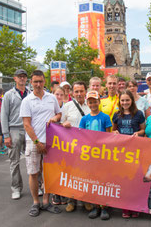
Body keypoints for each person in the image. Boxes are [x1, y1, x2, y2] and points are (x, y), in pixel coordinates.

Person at [20, 70, 62, 217]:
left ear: (45, 82)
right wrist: (37, 142)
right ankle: (35, 202)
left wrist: (55, 118)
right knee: (33, 173)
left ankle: (46, 201)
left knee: (48, 173)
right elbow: (26, 124)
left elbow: (59, 113)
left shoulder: (52, 98)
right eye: (35, 81)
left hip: (50, 142)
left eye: (41, 81)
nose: (38, 84)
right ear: (31, 83)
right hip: (33, 142)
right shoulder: (27, 101)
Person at [112, 90, 145, 218]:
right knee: (124, 180)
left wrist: (139, 133)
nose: (125, 102)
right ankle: (125, 207)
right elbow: (114, 130)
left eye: (127, 100)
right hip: (121, 152)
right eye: (122, 100)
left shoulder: (139, 114)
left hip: (136, 151)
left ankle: (135, 206)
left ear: (132, 101)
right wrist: (114, 133)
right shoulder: (117, 115)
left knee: (135, 180)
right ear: (120, 102)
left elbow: (143, 129)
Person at [79, 90, 112, 220]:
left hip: (103, 155)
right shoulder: (85, 119)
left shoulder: (105, 117)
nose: (93, 104)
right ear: (87, 103)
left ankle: (104, 207)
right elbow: (81, 135)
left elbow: (109, 136)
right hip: (90, 156)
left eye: (95, 101)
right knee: (92, 180)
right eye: (90, 102)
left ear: (99, 102)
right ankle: (95, 206)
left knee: (103, 180)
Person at [60, 81, 92, 211]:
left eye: (81, 91)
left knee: (86, 174)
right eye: (76, 91)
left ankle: (85, 200)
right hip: (71, 146)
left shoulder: (91, 105)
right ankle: (71, 200)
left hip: (87, 147)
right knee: (71, 174)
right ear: (73, 93)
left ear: (85, 91)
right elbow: (60, 124)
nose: (79, 94)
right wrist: (64, 124)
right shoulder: (67, 106)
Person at [1, 69, 30, 200]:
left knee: (33, 158)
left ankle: (38, 185)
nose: (22, 79)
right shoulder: (9, 95)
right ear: (15, 78)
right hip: (14, 129)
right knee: (14, 161)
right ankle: (16, 188)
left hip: (29, 128)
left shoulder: (30, 93)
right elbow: (4, 115)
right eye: (20, 77)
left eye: (24, 77)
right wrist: (6, 134)